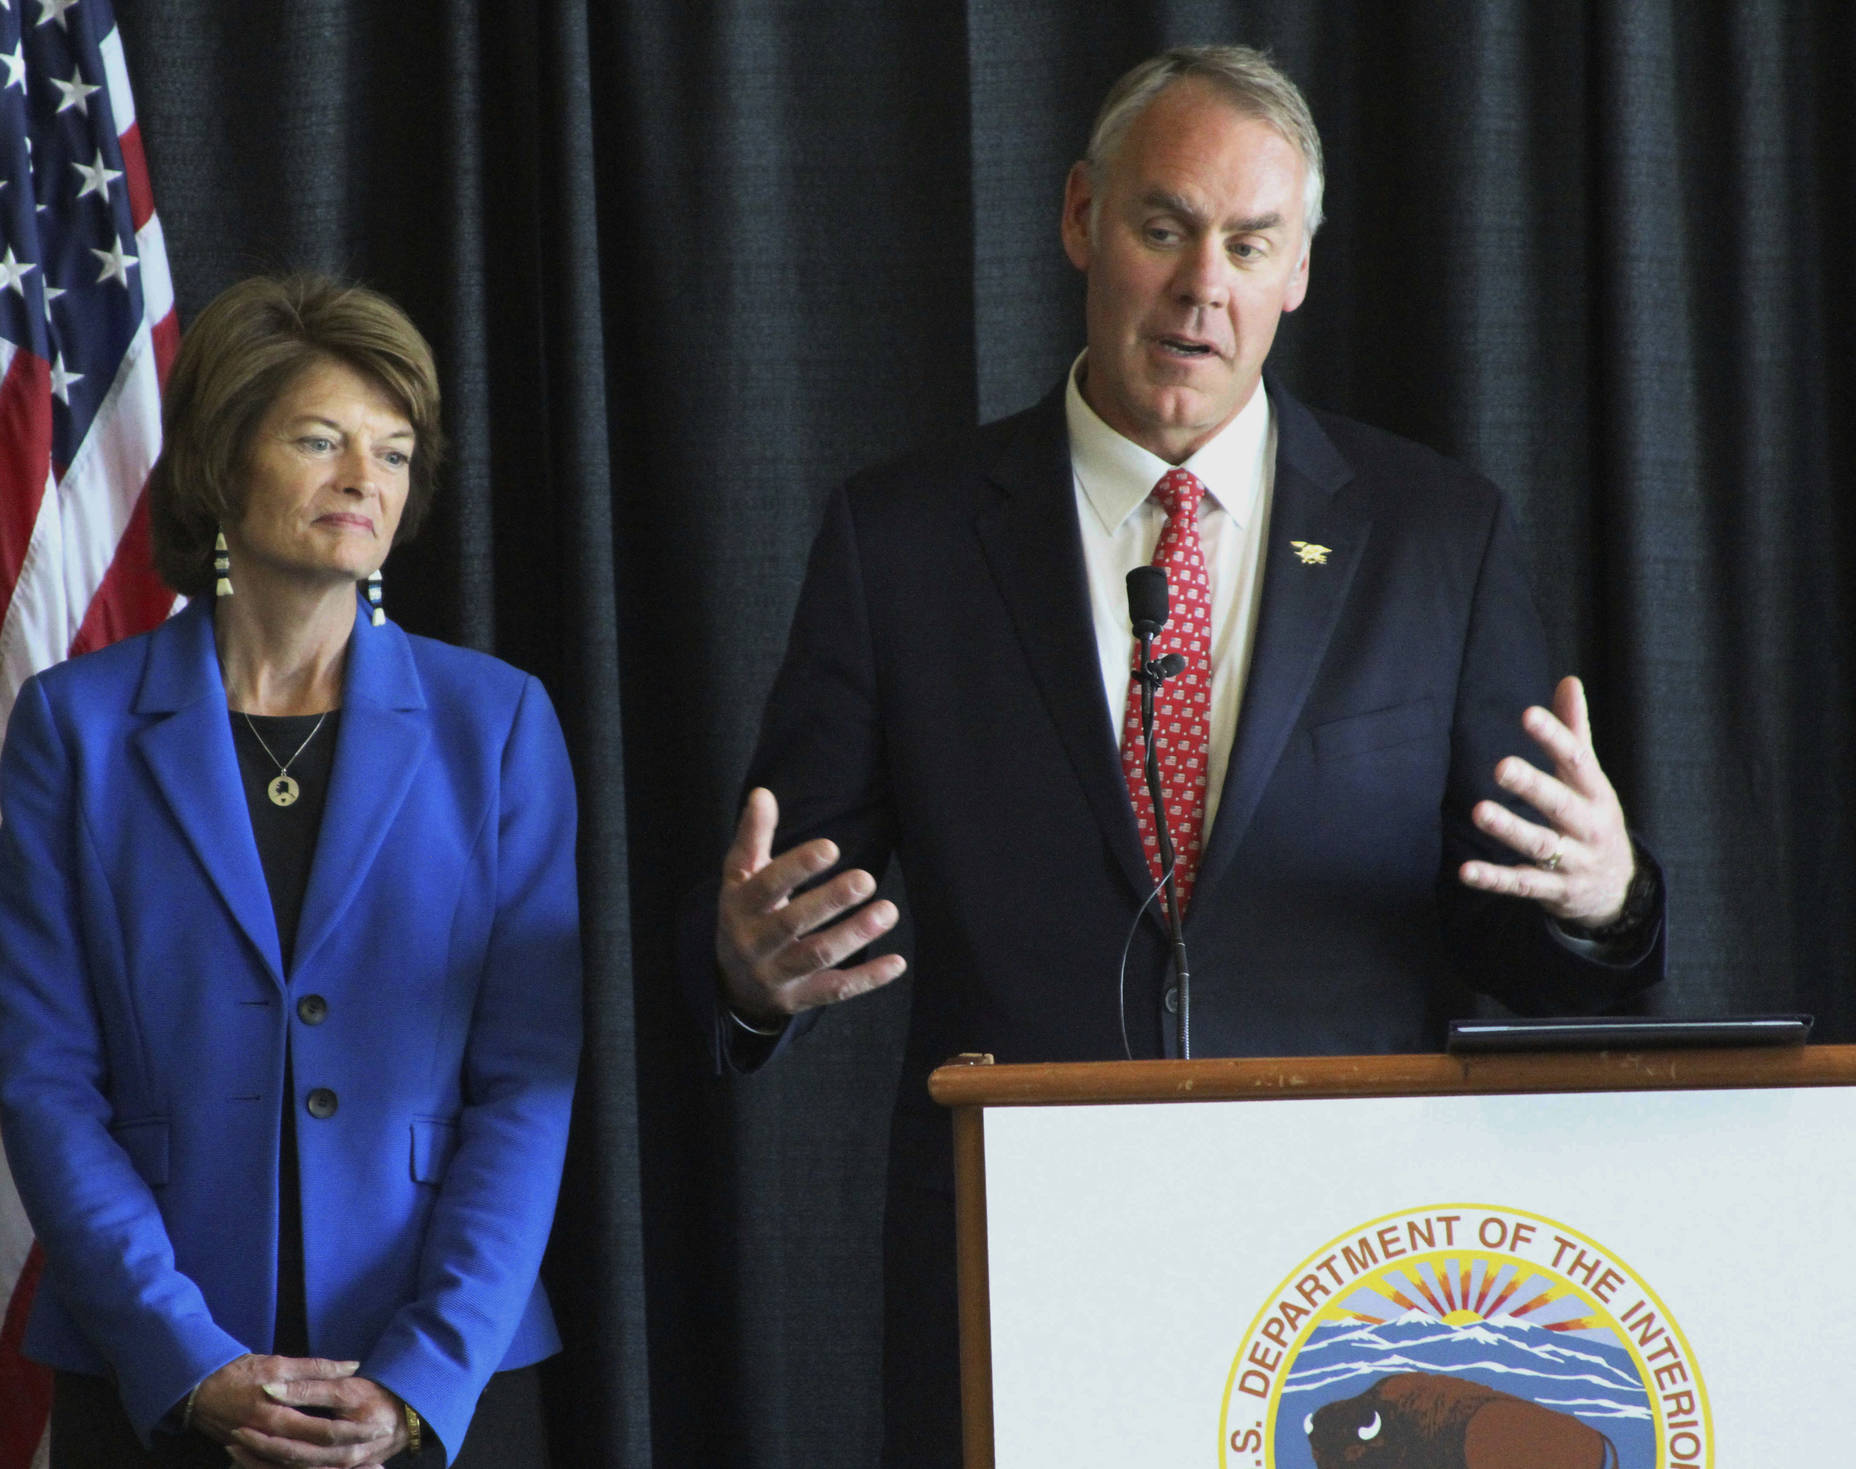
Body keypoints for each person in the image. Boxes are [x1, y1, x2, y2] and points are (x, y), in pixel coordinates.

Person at [688, 46, 1665, 1464]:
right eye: (1165, 228)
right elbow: (773, 897)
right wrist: (745, 972)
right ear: (1084, 219)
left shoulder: (1435, 536)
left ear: (1299, 273)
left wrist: (1601, 898)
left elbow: (1520, 945)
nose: (1205, 284)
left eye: (1250, 243)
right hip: (1021, 1269)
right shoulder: (899, 542)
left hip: (1347, 1280)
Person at [0, 274, 581, 1469]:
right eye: (320, 438)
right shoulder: (75, 727)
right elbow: (48, 1077)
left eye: (395, 449)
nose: (366, 477)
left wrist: (424, 1369)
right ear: (219, 460)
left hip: (432, 1375)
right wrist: (188, 1358)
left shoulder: (498, 723)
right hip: (155, 1369)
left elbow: (527, 1080)